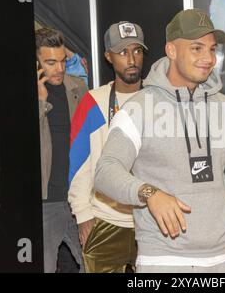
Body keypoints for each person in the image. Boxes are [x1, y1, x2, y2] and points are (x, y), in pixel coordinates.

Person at [94, 9, 225, 273]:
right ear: (171, 50)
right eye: (196, 48)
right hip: (163, 260)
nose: (208, 58)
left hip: (223, 257)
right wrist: (149, 193)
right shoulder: (138, 109)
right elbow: (105, 172)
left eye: (211, 49)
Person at [68, 21, 148, 272]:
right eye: (123, 52)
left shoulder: (159, 99)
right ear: (108, 56)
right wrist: (83, 215)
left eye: (137, 50)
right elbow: (79, 162)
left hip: (151, 222)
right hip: (104, 220)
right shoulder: (94, 101)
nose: (132, 59)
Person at [36, 27, 88, 273]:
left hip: (79, 200)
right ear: (36, 62)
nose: (59, 68)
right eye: (50, 62)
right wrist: (40, 102)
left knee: (94, 264)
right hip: (46, 202)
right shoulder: (26, 94)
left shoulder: (77, 87)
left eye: (62, 61)